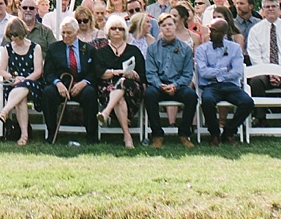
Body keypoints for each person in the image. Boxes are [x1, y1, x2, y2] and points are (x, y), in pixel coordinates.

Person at [143, 11, 198, 148]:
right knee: (149, 94)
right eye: (164, 25)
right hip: (159, 84)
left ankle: (184, 134)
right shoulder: (152, 49)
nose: (167, 27)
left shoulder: (185, 49)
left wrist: (175, 85)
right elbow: (150, 73)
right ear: (160, 28)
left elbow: (187, 74)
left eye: (170, 24)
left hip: (178, 85)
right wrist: (160, 85)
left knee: (191, 96)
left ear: (175, 26)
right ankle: (157, 135)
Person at [38, 19, 97, 145]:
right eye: (63, 33)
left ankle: (91, 135)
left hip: (81, 85)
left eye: (69, 33)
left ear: (77, 32)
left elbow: (94, 72)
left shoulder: (89, 49)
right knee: (48, 93)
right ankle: (52, 132)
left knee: (90, 93)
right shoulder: (54, 48)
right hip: (61, 85)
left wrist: (84, 83)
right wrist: (57, 83)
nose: (65, 36)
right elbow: (48, 72)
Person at [195, 17, 253, 146]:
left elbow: (237, 72)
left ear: (224, 33)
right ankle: (214, 133)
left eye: (215, 31)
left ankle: (229, 131)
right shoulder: (202, 49)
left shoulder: (235, 48)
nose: (211, 33)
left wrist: (217, 75)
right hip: (210, 86)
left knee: (247, 102)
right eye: (210, 30)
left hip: (230, 86)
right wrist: (224, 70)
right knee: (207, 100)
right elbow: (203, 72)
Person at [91, 16, 144, 149]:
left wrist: (134, 74)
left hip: (132, 88)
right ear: (108, 30)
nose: (117, 31)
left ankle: (106, 112)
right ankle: (127, 137)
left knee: (123, 82)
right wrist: (119, 72)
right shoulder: (101, 52)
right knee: (119, 97)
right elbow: (100, 74)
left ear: (124, 32)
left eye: (120, 29)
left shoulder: (134, 51)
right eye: (113, 28)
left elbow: (142, 75)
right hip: (107, 88)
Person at [0, 17, 40, 144]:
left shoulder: (35, 48)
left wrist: (25, 79)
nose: (13, 38)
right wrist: (12, 78)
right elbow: (1, 70)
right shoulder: (7, 48)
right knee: (21, 99)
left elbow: (38, 71)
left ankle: (5, 111)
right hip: (14, 83)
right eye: (10, 35)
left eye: (15, 35)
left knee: (24, 87)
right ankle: (24, 135)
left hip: (32, 82)